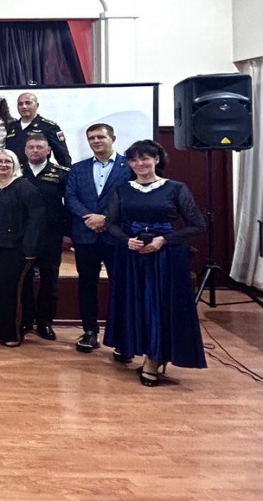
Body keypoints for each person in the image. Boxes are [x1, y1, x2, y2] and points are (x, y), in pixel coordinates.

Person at [104, 140, 207, 386]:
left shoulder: (176, 188)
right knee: (138, 306)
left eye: (145, 158)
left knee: (159, 308)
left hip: (165, 258)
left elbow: (198, 224)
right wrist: (126, 240)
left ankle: (154, 358)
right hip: (133, 258)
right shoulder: (122, 189)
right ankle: (149, 353)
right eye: (134, 160)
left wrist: (165, 239)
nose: (139, 163)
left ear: (157, 160)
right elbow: (110, 223)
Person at [65, 123, 131, 355]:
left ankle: (122, 338)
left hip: (116, 236)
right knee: (87, 285)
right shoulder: (78, 168)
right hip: (85, 235)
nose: (95, 141)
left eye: (100, 137)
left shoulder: (128, 167)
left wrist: (106, 219)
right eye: (91, 138)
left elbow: (131, 198)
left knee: (120, 286)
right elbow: (70, 197)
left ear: (113, 138)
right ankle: (90, 332)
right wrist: (90, 218)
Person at [0, 149, 43, 347]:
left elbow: (36, 220)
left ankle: (13, 333)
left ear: (15, 164)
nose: (3, 165)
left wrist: (30, 249)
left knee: (10, 290)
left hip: (16, 248)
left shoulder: (25, 188)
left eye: (7, 161)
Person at [20, 134, 69, 341]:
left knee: (49, 280)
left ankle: (45, 321)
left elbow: (69, 205)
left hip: (51, 235)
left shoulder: (61, 173)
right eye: (31, 147)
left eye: (39, 147)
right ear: (25, 150)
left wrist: (68, 234)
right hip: (23, 235)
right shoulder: (17, 170)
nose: (35, 150)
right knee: (24, 279)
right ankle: (25, 319)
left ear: (48, 150)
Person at [5, 92, 71, 166]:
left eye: (28, 103)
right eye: (20, 104)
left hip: (38, 171)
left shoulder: (49, 127)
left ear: (37, 105)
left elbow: (62, 156)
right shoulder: (11, 127)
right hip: (14, 171)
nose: (24, 106)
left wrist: (68, 171)